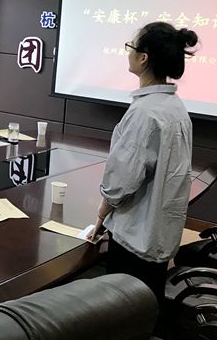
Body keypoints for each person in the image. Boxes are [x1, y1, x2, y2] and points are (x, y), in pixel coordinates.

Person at [86, 21, 199, 301]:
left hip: (134, 238)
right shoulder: (176, 107)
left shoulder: (144, 113)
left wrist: (100, 215)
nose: (128, 52)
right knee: (147, 305)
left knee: (122, 309)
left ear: (144, 58)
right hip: (159, 234)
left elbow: (121, 182)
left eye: (131, 47)